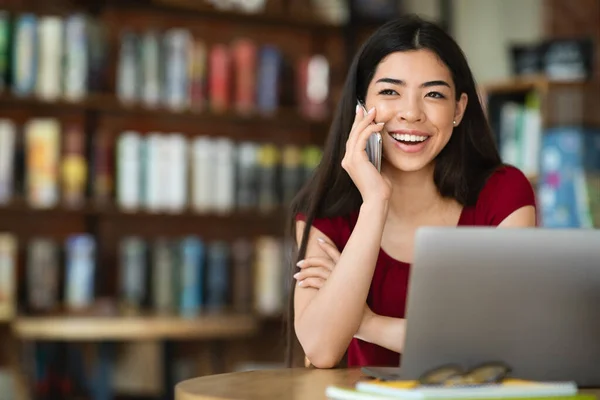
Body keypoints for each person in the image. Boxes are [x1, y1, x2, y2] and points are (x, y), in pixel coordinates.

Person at [286, 14, 537, 369]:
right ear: (361, 106)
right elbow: (321, 348)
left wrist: (368, 324)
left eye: (434, 94)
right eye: (390, 91)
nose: (411, 113)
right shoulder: (328, 209)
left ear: (459, 109)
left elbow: (507, 341)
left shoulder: (503, 194)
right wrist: (375, 203)